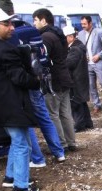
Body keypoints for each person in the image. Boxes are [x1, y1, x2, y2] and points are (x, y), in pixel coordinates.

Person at [0, 8, 40, 191]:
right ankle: (21, 187)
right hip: (12, 105)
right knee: (23, 144)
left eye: (11, 23)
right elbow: (20, 78)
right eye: (6, 24)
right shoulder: (5, 49)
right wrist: (37, 80)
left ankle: (11, 177)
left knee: (17, 142)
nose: (11, 28)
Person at [33, 8, 77, 152]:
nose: (34, 24)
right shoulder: (59, 35)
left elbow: (43, 60)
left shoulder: (45, 37)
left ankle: (61, 144)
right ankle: (71, 142)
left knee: (53, 114)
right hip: (64, 77)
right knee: (65, 113)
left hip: (54, 80)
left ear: (43, 20)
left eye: (35, 20)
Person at [78, 16, 102, 113]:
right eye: (82, 24)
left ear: (90, 23)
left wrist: (99, 56)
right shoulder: (81, 34)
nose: (83, 26)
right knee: (91, 85)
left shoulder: (99, 32)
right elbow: (80, 48)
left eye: (85, 24)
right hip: (88, 64)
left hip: (99, 63)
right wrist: (83, 55)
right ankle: (97, 104)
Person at [63, 26, 93, 132]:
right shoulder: (78, 46)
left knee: (76, 102)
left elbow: (70, 63)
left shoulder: (74, 49)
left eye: (64, 37)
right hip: (80, 77)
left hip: (76, 78)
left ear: (71, 37)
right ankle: (88, 122)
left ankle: (80, 124)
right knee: (82, 101)